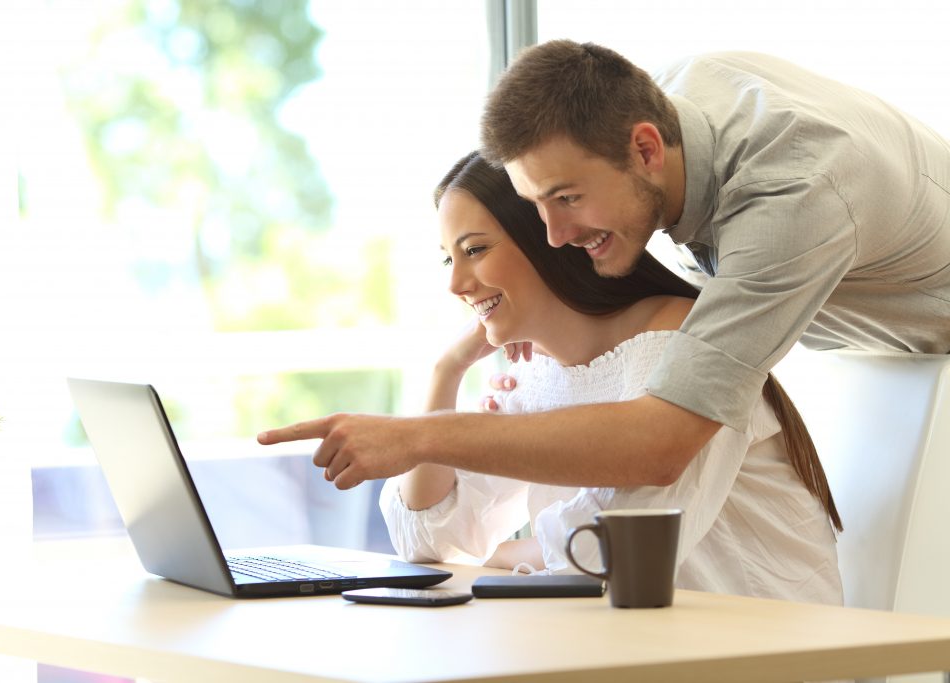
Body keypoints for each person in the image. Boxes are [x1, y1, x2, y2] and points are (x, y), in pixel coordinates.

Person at [257, 42, 949, 499]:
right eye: (537, 204)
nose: (555, 236)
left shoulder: (793, 196)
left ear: (647, 148)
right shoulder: (671, 101)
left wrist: (414, 435)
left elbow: (658, 446)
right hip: (886, 351)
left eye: (567, 199)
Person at [377, 151, 842, 604]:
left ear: (547, 238)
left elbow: (612, 550)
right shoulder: (539, 373)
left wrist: (496, 555)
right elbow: (427, 544)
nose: (456, 284)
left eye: (474, 250)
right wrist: (447, 370)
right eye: (448, 259)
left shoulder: (679, 346)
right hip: (630, 643)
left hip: (763, 654)